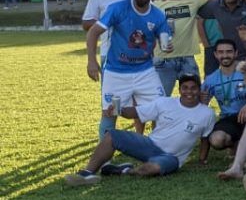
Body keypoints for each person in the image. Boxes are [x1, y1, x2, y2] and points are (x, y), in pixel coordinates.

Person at [64, 74, 214, 185]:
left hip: (171, 158)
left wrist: (202, 160)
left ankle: (123, 170)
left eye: (194, 88)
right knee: (111, 135)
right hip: (149, 145)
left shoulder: (207, 113)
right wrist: (119, 110)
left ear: (199, 89)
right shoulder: (165, 103)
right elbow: (136, 112)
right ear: (179, 89)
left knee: (151, 169)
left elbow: (205, 139)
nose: (189, 92)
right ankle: (87, 173)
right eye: (185, 88)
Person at [86, 0, 172, 139]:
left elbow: (164, 41)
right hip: (116, 71)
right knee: (110, 113)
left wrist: (167, 46)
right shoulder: (117, 8)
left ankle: (158, 148)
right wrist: (91, 61)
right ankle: (105, 159)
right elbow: (93, 32)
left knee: (161, 109)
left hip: (145, 71)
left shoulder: (158, 15)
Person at [82, 0, 133, 135]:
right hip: (110, 56)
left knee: (142, 104)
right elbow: (86, 23)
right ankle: (104, 150)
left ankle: (143, 142)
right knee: (111, 106)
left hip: (138, 56)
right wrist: (107, 22)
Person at [203, 39, 246, 152]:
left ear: (236, 53)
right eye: (221, 52)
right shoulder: (211, 79)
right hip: (228, 118)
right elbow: (201, 104)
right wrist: (202, 101)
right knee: (216, 140)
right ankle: (236, 143)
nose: (225, 55)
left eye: (229, 52)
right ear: (215, 55)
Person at [153, 0, 207, 96]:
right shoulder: (158, 4)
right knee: (161, 100)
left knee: (194, 97)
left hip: (187, 58)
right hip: (163, 59)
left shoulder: (195, 0)